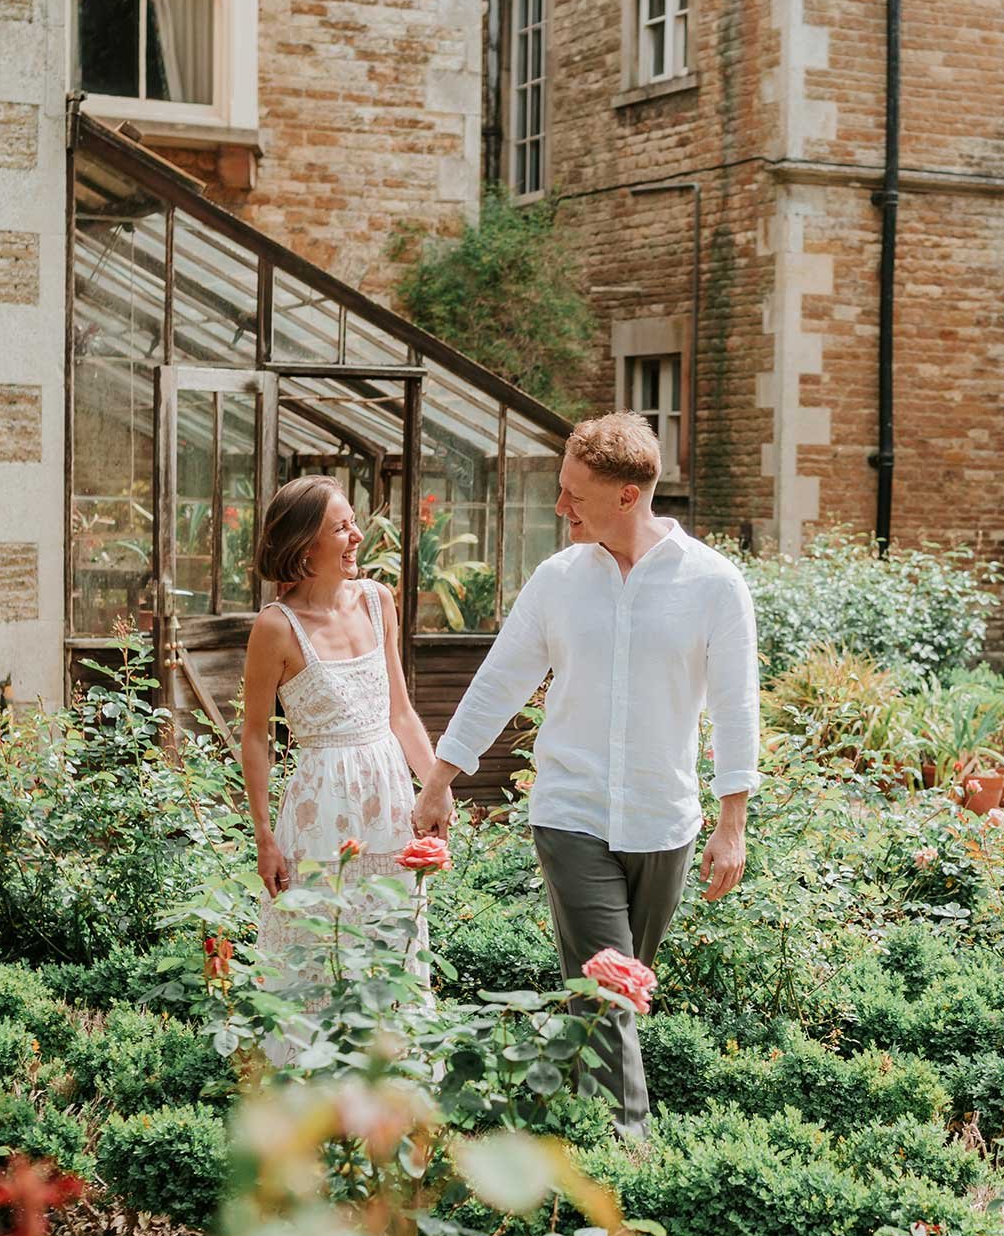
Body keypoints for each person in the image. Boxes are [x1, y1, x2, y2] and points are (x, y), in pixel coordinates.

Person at [414, 412, 759, 1133]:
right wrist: (440, 778)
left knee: (607, 996)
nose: (559, 506)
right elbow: (499, 681)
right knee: (607, 987)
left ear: (627, 496)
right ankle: (629, 1153)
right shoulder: (558, 580)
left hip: (664, 821)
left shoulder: (713, 584)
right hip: (569, 813)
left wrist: (733, 825)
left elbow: (734, 706)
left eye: (574, 493)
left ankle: (571, 1134)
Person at [241, 475, 449, 1000]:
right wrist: (264, 837)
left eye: (354, 522)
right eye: (342, 527)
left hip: (389, 806)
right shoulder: (276, 627)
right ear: (305, 546)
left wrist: (435, 788)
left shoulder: (379, 602)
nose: (358, 536)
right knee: (317, 957)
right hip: (320, 814)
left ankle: (394, 1076)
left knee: (392, 950)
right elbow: (255, 737)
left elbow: (400, 712)